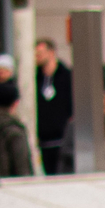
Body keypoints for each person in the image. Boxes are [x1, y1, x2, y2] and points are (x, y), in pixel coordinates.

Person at [30, 39, 74, 173]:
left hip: (62, 139)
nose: (37, 57)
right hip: (44, 141)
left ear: (51, 53)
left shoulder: (66, 76)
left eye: (40, 53)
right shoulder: (35, 79)